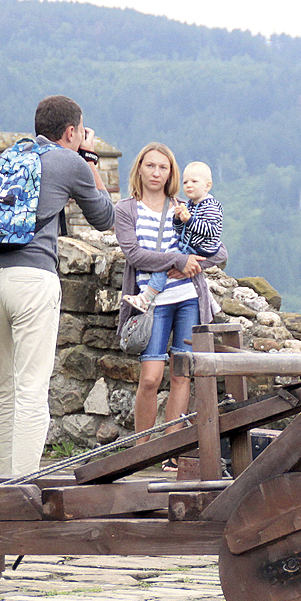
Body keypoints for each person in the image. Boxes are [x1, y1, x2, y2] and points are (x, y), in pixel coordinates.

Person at [0, 95, 115, 477]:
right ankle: (21, 485)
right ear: (72, 131)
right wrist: (89, 157)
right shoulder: (69, 160)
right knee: (32, 389)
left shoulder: (10, 157)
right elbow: (105, 217)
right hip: (32, 278)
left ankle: (0, 479)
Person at [115, 143, 227, 468]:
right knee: (151, 377)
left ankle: (171, 454)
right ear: (139, 169)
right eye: (150, 166)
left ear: (171, 173)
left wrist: (192, 264)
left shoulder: (182, 207)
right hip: (151, 304)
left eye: (162, 167)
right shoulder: (126, 210)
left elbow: (219, 253)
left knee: (182, 376)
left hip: (187, 298)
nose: (156, 173)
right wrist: (177, 258)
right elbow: (134, 255)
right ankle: (141, 451)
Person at [122, 160, 223, 313]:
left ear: (207, 185)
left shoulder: (210, 206)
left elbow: (211, 232)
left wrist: (189, 221)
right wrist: (178, 219)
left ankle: (145, 298)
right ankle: (210, 302)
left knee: (167, 264)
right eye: (186, 182)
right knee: (172, 259)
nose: (189, 185)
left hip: (198, 254)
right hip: (188, 251)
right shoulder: (188, 205)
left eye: (194, 181)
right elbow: (180, 231)